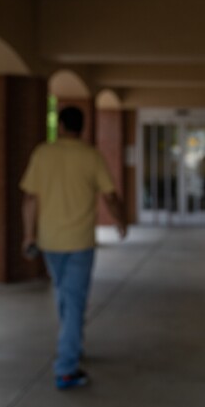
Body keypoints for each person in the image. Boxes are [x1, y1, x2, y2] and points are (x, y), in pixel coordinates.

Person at [20, 106, 127, 390]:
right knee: (74, 300)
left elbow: (30, 198)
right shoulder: (91, 156)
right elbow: (110, 195)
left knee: (65, 296)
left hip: (49, 241)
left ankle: (72, 345)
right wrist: (120, 220)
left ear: (60, 125)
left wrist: (29, 235)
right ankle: (66, 368)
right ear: (82, 127)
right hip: (80, 242)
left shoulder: (43, 153)